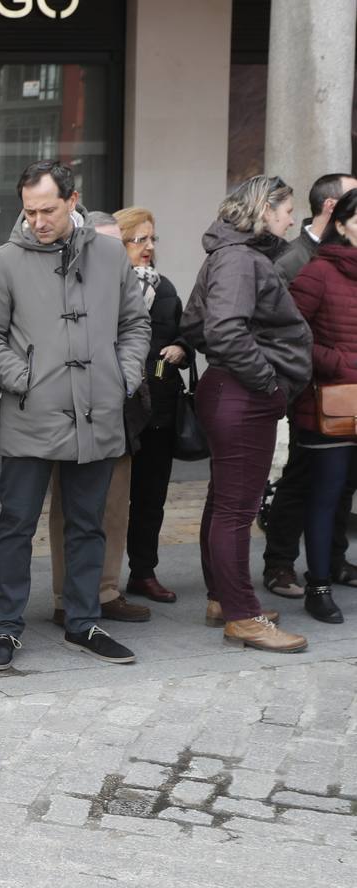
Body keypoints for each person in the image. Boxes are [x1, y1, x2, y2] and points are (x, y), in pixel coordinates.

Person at [0, 160, 151, 672]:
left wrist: (122, 378)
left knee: (88, 524)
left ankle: (83, 621)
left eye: (48, 209)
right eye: (29, 211)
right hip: (31, 415)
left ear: (74, 201)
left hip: (98, 412)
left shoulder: (112, 253)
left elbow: (135, 325)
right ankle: (5, 627)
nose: (38, 220)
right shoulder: (4, 261)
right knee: (15, 525)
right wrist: (26, 381)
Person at [182, 174, 311, 652]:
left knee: (224, 504)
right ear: (264, 210)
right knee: (236, 511)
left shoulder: (230, 255)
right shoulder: (239, 259)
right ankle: (242, 615)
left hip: (232, 392)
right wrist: (270, 383)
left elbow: (196, 324)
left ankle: (224, 600)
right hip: (243, 395)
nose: (292, 218)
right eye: (286, 209)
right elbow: (222, 331)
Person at [45, 212, 153, 628]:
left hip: (119, 408)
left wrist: (124, 378)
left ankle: (106, 590)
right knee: (68, 509)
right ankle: (63, 596)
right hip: (69, 409)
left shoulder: (142, 284)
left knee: (114, 507)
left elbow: (139, 332)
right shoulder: (65, 278)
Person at [262, 171, 357, 600]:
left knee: (341, 487)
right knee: (308, 483)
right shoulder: (303, 264)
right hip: (317, 398)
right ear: (337, 216)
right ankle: (286, 566)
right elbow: (288, 333)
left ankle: (333, 561)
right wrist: (341, 362)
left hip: (350, 400)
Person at [116, 206, 192, 604]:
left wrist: (182, 347)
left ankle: (143, 572)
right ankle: (103, 579)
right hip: (117, 408)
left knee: (151, 498)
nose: (147, 247)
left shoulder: (164, 290)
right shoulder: (106, 285)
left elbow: (184, 334)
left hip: (159, 407)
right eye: (138, 239)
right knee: (109, 502)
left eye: (152, 239)